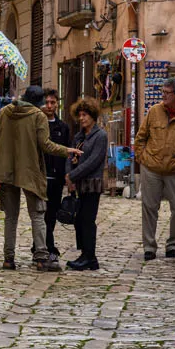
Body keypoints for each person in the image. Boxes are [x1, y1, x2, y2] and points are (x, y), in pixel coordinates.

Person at [0, 84, 81, 271]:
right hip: (30, 171)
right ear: (38, 102)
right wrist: (67, 150)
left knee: (11, 217)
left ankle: (8, 259)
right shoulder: (38, 116)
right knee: (38, 214)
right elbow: (46, 145)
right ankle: (41, 257)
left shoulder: (5, 112)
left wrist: (3, 160)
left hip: (6, 171)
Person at [133, 77, 175, 261]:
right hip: (151, 167)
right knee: (149, 207)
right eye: (162, 92)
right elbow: (140, 138)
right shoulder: (154, 111)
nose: (163, 95)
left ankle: (173, 246)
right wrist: (142, 158)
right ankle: (149, 247)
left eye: (167, 92)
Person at [66, 96, 108, 271]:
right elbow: (71, 155)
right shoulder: (79, 136)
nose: (82, 118)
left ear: (92, 116)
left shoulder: (100, 136)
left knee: (87, 220)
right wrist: (68, 174)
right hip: (79, 184)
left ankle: (90, 256)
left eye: (85, 115)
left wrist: (72, 176)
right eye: (80, 115)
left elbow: (93, 161)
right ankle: (85, 253)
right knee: (79, 220)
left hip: (92, 183)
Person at [42, 88, 73, 260]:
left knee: (52, 213)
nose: (49, 106)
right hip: (41, 175)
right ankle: (47, 245)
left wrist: (68, 174)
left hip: (57, 176)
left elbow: (67, 152)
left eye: (52, 102)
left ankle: (43, 243)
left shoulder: (63, 127)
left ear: (57, 104)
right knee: (41, 213)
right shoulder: (39, 125)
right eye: (46, 102)